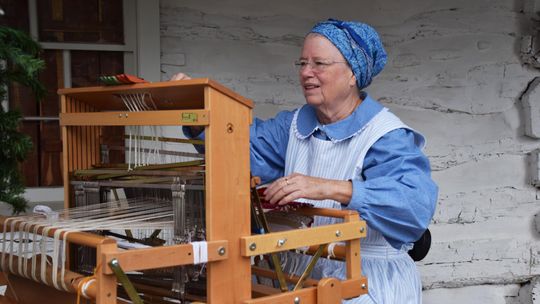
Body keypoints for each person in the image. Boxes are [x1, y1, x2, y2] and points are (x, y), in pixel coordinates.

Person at [173, 18, 438, 304]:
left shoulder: (385, 136)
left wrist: (327, 188)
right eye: (302, 63)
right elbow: (240, 151)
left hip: (367, 279)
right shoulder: (294, 126)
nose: (306, 73)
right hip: (303, 274)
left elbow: (413, 207)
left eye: (319, 64)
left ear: (353, 74)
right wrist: (200, 109)